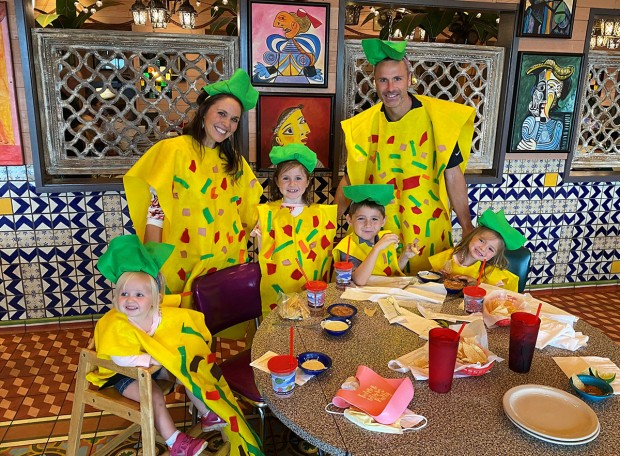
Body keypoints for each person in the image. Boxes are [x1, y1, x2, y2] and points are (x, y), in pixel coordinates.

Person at [88, 235, 262, 456]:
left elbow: (172, 328)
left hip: (150, 369)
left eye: (139, 294)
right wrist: (155, 359)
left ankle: (206, 413)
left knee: (187, 370)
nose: (130, 300)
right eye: (124, 294)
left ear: (154, 299)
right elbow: (122, 359)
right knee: (155, 396)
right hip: (121, 375)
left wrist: (172, 356)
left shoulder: (155, 315)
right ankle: (175, 442)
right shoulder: (115, 323)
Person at [124, 69, 263, 308]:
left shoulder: (235, 164)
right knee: (182, 331)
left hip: (223, 262)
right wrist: (150, 266)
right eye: (221, 113)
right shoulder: (172, 151)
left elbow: (254, 215)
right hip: (179, 263)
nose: (226, 124)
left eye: (234, 119)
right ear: (205, 111)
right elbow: (155, 214)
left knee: (214, 327)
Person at [335, 38, 476, 274]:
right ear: (375, 83)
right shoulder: (363, 125)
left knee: (428, 293)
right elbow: (350, 178)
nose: (391, 88)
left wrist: (467, 226)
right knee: (379, 291)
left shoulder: (438, 118)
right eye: (383, 80)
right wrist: (329, 224)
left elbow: (454, 176)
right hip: (380, 227)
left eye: (397, 79)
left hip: (428, 225)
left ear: (410, 79)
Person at [254, 143, 337, 314]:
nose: (292, 183)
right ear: (277, 181)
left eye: (298, 178)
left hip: (311, 289)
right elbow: (262, 251)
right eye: (286, 178)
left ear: (308, 182)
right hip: (277, 290)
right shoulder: (266, 213)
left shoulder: (322, 214)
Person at [332, 185, 418, 286]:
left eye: (374, 219)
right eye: (361, 218)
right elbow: (359, 280)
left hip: (385, 293)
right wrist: (376, 249)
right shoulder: (347, 247)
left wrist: (405, 256)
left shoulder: (384, 238)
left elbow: (389, 272)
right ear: (349, 220)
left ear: (383, 221)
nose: (368, 224)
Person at [428, 208, 527, 292]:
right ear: (472, 235)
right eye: (481, 240)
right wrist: (437, 277)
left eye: (491, 249)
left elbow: (500, 296)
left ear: (495, 255)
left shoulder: (490, 272)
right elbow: (429, 282)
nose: (483, 248)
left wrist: (477, 284)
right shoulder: (447, 257)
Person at [515, 59, 574, 151]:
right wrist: (538, 118)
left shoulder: (557, 125)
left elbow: (552, 145)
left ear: (558, 92)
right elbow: (527, 139)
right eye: (541, 87)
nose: (544, 93)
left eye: (550, 87)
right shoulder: (530, 121)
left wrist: (536, 147)